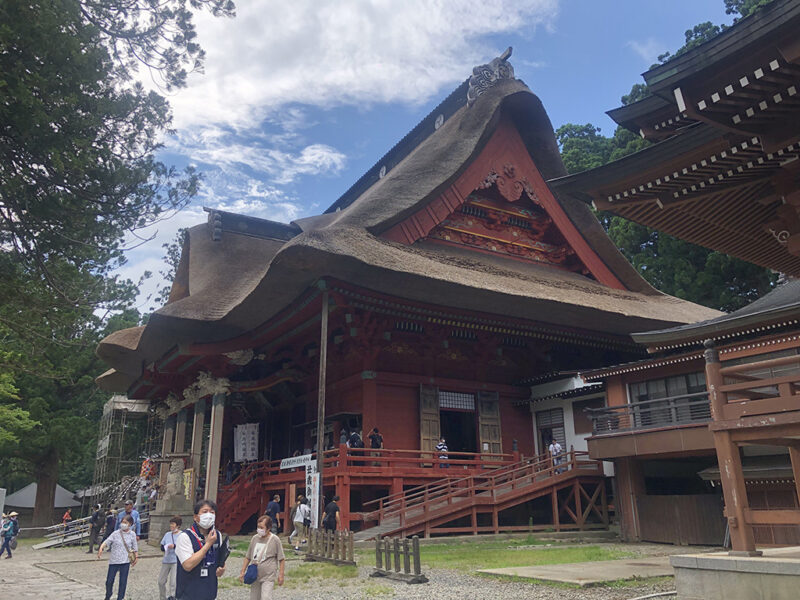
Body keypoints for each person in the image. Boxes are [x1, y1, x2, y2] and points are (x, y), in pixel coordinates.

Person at [175, 499, 225, 600]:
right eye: (205, 512)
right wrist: (208, 544)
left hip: (209, 592)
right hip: (188, 594)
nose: (209, 515)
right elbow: (187, 565)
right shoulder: (185, 536)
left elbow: (219, 559)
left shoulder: (217, 535)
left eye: (212, 512)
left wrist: (221, 569)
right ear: (195, 517)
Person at [239, 515, 285, 600]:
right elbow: (248, 556)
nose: (259, 529)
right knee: (254, 597)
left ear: (268, 528)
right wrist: (242, 571)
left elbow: (281, 559)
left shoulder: (275, 540)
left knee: (266, 597)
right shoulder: (254, 538)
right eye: (258, 527)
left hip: (268, 576)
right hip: (255, 574)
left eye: (262, 527)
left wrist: (281, 575)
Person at [98, 514, 138, 600]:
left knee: (123, 582)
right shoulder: (115, 533)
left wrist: (136, 558)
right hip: (114, 561)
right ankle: (108, 594)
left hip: (125, 561)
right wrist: (101, 547)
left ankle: (120, 598)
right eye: (122, 522)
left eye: (125, 522)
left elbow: (135, 547)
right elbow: (107, 541)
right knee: (109, 581)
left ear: (130, 524)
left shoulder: (132, 534)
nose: (123, 524)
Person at [158, 515, 182, 600]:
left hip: (176, 560)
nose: (171, 526)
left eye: (173, 524)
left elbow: (183, 547)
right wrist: (166, 547)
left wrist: (174, 546)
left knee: (173, 582)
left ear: (178, 525)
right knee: (161, 581)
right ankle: (162, 597)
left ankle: (173, 597)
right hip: (166, 559)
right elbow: (161, 546)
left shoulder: (182, 535)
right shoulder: (167, 534)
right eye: (170, 524)